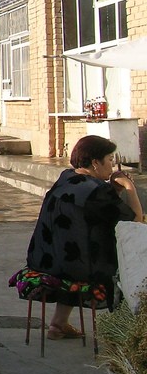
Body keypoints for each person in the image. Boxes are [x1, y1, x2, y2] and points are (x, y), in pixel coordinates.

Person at [21, 136, 143, 339]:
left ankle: (58, 324)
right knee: (129, 261)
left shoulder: (66, 177)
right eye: (110, 159)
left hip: (43, 260)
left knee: (74, 252)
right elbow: (135, 221)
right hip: (78, 269)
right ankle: (127, 333)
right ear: (96, 162)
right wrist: (129, 187)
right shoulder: (98, 191)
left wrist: (113, 191)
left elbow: (90, 209)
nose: (112, 165)